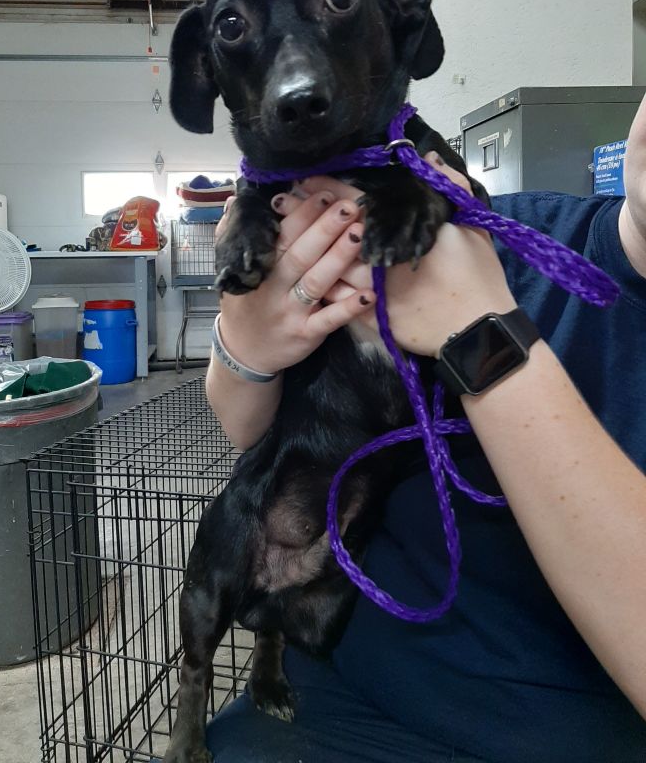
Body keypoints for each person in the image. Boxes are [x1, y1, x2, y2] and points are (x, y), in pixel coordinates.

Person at [201, 96, 646, 763]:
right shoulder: (494, 230)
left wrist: (484, 341)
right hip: (332, 703)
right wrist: (244, 349)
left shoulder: (471, 262)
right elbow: (254, 431)